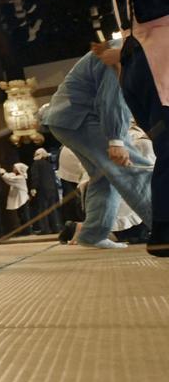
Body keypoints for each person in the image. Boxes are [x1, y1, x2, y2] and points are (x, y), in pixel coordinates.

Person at [103, 0, 169, 255]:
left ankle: (162, 229)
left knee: (165, 146)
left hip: (136, 59)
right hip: (161, 56)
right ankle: (163, 231)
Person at [41, 43, 153, 249]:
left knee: (104, 179)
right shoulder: (123, 51)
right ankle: (164, 225)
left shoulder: (135, 49)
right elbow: (112, 97)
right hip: (80, 117)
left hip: (69, 119)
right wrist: (116, 139)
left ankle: (92, 233)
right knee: (132, 169)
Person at [29, 148, 61, 234]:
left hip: (42, 189)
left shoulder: (36, 164)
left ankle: (45, 229)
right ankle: (55, 228)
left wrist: (33, 188)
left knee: (43, 209)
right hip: (52, 189)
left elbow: (35, 177)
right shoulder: (49, 165)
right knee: (52, 209)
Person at [2, 164, 31, 235]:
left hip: (22, 199)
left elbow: (9, 179)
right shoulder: (17, 176)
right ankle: (24, 230)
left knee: (24, 216)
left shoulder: (20, 178)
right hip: (20, 199)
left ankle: (27, 231)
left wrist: (3, 173)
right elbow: (10, 176)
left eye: (15, 168)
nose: (13, 169)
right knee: (21, 215)